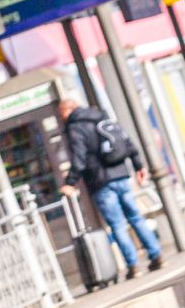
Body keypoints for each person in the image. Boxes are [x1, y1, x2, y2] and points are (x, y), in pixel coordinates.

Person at [58, 96, 164, 277]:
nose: (62, 118)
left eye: (61, 114)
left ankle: (133, 266)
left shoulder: (75, 127)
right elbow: (127, 142)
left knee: (117, 225)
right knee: (136, 217)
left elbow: (79, 158)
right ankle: (156, 255)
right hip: (122, 175)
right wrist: (138, 166)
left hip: (101, 182)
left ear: (68, 110)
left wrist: (70, 183)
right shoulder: (101, 117)